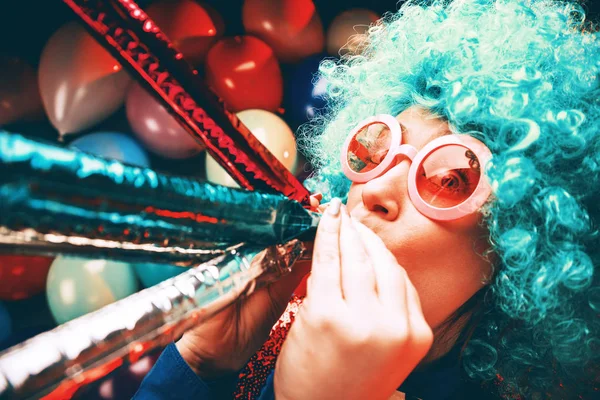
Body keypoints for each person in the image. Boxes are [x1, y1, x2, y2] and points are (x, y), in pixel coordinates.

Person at [134, 0, 600, 398]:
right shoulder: (275, 337)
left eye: (449, 176)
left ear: (521, 248)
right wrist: (201, 365)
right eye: (377, 148)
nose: (374, 190)